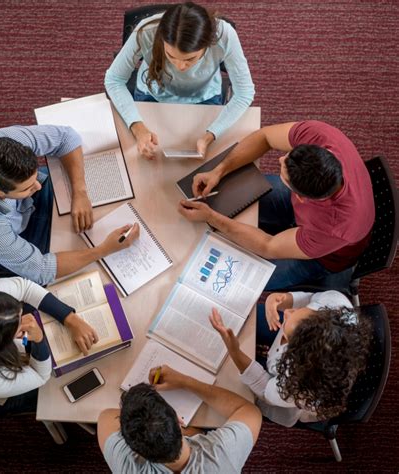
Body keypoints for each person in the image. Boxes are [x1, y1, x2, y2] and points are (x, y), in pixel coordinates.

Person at [178, 120, 375, 290]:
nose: (281, 158)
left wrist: (211, 217)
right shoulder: (322, 135)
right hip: (312, 215)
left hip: (324, 256)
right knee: (230, 191)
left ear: (301, 197)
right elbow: (265, 137)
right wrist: (218, 171)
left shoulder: (335, 228)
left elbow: (268, 246)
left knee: (236, 279)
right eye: (289, 154)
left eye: (284, 172)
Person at [0, 125, 139, 286]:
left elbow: (67, 137)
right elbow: (42, 270)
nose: (38, 186)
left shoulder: (3, 141)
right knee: (84, 259)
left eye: (34, 178)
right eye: (28, 187)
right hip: (8, 233)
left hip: (19, 206)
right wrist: (104, 249)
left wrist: (79, 193)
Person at [105, 2, 255, 160]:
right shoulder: (146, 31)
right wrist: (138, 127)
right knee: (139, 158)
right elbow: (114, 79)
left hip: (205, 96)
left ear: (208, 43)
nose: (180, 66)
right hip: (152, 93)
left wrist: (210, 135)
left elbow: (245, 93)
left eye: (190, 59)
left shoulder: (225, 35)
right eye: (171, 56)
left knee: (205, 161)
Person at [210, 290, 371, 427]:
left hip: (276, 390)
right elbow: (310, 298)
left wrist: (235, 351)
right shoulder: (336, 304)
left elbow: (265, 389)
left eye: (288, 318)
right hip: (284, 359)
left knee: (223, 380)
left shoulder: (296, 385)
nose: (287, 312)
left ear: (294, 352)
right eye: (305, 311)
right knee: (241, 313)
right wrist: (281, 298)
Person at [0, 276, 98, 414]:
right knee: (55, 393)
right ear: (4, 345)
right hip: (0, 394)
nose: (27, 317)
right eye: (19, 321)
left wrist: (70, 318)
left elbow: (25, 287)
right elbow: (40, 375)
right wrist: (38, 339)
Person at [98, 365, 261, 473]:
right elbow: (250, 412)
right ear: (178, 420)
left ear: (133, 449)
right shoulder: (223, 455)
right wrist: (186, 382)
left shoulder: (126, 466)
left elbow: (106, 417)